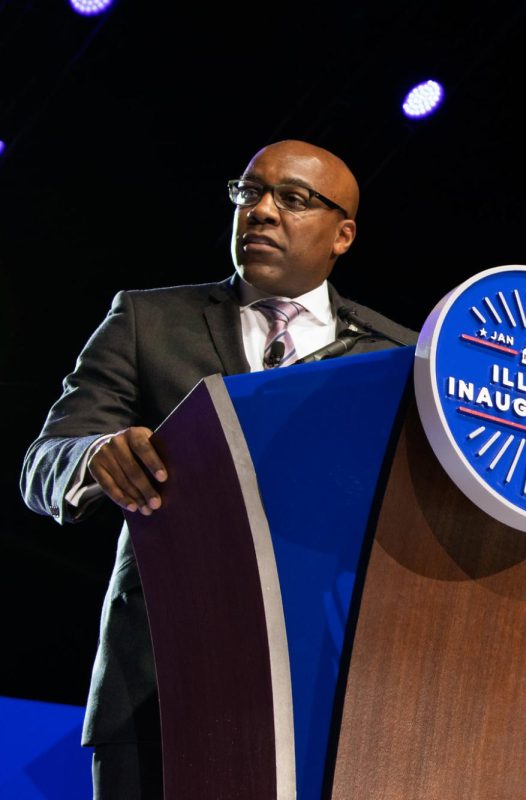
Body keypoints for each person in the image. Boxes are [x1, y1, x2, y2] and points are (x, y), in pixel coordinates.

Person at [19, 140, 417, 799]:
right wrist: (94, 455)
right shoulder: (148, 320)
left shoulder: (396, 355)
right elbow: (44, 462)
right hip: (157, 681)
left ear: (342, 234)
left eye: (292, 199)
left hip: (331, 687)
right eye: (249, 193)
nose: (260, 211)